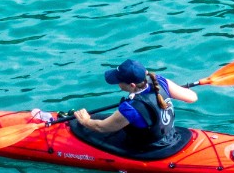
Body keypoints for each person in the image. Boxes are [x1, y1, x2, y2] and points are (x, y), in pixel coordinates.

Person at [70, 59, 198, 156]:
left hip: (150, 148)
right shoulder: (159, 81)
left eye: (119, 81)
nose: (117, 83)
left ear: (131, 85)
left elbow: (101, 127)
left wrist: (85, 121)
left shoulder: (131, 108)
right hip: (171, 136)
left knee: (86, 126)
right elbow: (192, 97)